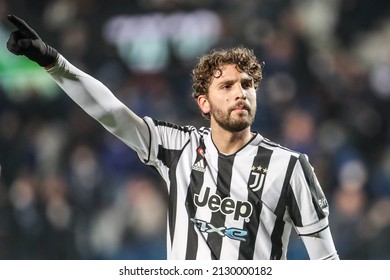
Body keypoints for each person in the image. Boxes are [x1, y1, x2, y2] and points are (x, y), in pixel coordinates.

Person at [6, 14, 339, 260]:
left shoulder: (291, 167)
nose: (241, 93)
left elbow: (326, 263)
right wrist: (54, 62)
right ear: (203, 103)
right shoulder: (178, 147)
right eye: (227, 86)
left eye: (248, 85)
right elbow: (111, 112)